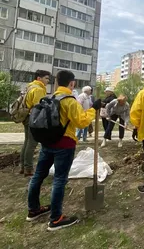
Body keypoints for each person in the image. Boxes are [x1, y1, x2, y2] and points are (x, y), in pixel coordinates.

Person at [27, 70, 101, 231]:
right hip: (64, 144)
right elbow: (81, 122)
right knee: (59, 179)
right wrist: (93, 109)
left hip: (47, 143)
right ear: (72, 83)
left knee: (38, 175)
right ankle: (56, 219)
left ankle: (33, 210)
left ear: (56, 82)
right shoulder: (69, 101)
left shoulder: (49, 97)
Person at [20, 70, 51, 176]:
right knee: (32, 144)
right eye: (46, 78)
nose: (48, 80)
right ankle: (28, 169)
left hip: (26, 117)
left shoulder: (30, 87)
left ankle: (23, 166)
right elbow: (39, 107)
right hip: (33, 118)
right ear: (39, 78)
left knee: (27, 142)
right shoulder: (38, 89)